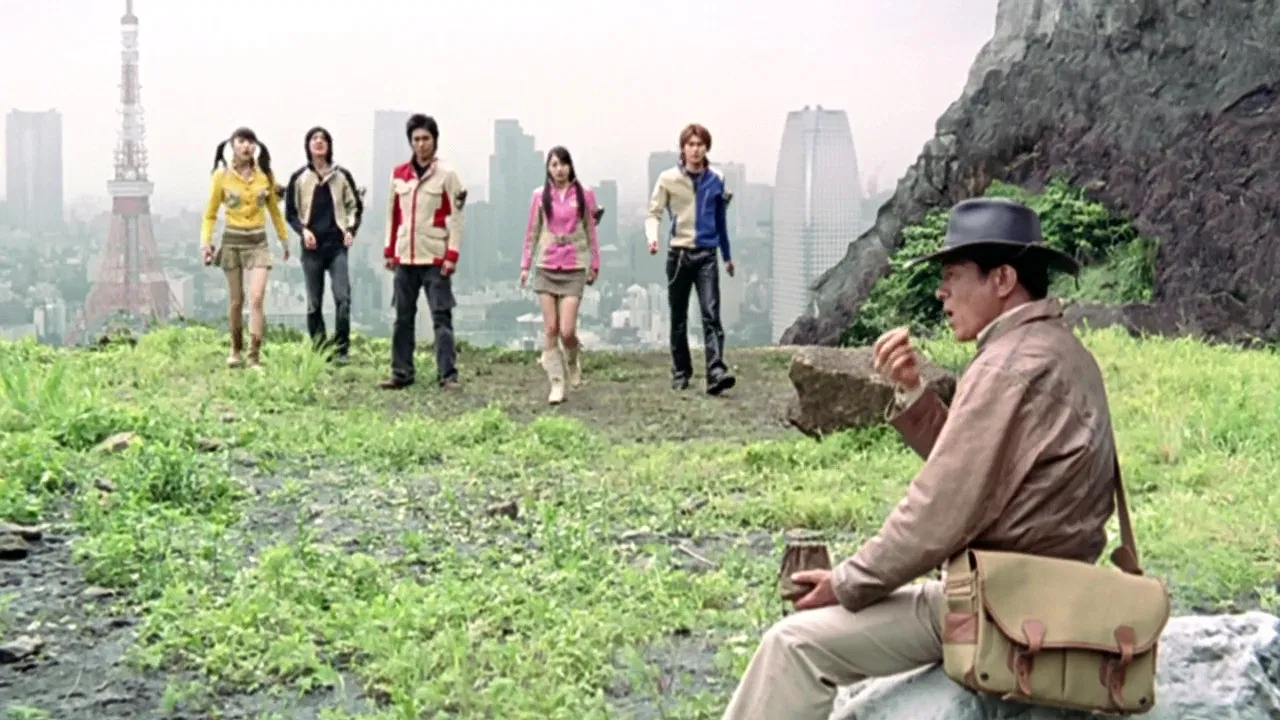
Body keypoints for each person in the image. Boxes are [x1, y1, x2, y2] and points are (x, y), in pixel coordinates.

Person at [720, 198, 1124, 719]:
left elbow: (938, 509)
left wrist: (846, 582)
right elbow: (981, 470)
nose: (941, 291)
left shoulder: (1008, 366)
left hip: (998, 605)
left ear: (1003, 279)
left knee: (792, 644)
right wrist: (912, 392)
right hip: (1049, 591)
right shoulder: (1062, 351)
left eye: (953, 275)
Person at [645, 123, 736, 395]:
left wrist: (727, 255)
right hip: (679, 254)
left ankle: (716, 371)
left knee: (711, 313)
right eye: (691, 145)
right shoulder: (668, 178)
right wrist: (653, 237)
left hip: (707, 254)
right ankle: (681, 371)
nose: (695, 150)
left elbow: (720, 219)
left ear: (707, 148)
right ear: (683, 148)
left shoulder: (716, 178)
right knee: (679, 316)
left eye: (700, 145)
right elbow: (654, 212)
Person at [378, 113, 468, 390]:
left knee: (441, 317)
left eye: (426, 138)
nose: (421, 144)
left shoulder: (447, 175)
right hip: (405, 256)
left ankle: (448, 375)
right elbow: (393, 215)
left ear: (435, 140)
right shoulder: (398, 175)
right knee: (402, 317)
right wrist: (389, 250)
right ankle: (401, 372)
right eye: (416, 139)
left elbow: (457, 218)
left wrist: (452, 255)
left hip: (435, 256)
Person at [200, 127, 290, 370]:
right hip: (233, 241)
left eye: (250, 142)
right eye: (241, 141)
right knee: (236, 300)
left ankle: (254, 355)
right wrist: (206, 243)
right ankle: (235, 349)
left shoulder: (265, 175)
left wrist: (284, 239)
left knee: (257, 298)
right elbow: (210, 214)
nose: (246, 146)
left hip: (258, 241)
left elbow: (274, 210)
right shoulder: (222, 176)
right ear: (233, 145)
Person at [519, 146, 602, 404]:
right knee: (551, 329)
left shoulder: (584, 194)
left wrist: (594, 263)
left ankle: (573, 360)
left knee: (567, 330)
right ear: (548, 168)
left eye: (563, 164)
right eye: (554, 164)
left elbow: (590, 230)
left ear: (570, 166)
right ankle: (556, 383)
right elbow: (532, 231)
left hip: (573, 266)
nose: (559, 169)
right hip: (546, 265)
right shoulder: (540, 195)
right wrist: (525, 266)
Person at [284, 126, 364, 365]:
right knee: (314, 302)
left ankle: (341, 349)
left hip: (336, 246)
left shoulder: (341, 176)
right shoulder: (299, 178)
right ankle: (320, 349)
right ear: (308, 146)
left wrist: (350, 230)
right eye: (314, 138)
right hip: (312, 248)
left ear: (329, 145)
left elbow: (355, 206)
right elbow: (290, 213)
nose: (318, 142)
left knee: (343, 297)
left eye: (323, 139)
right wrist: (303, 230)